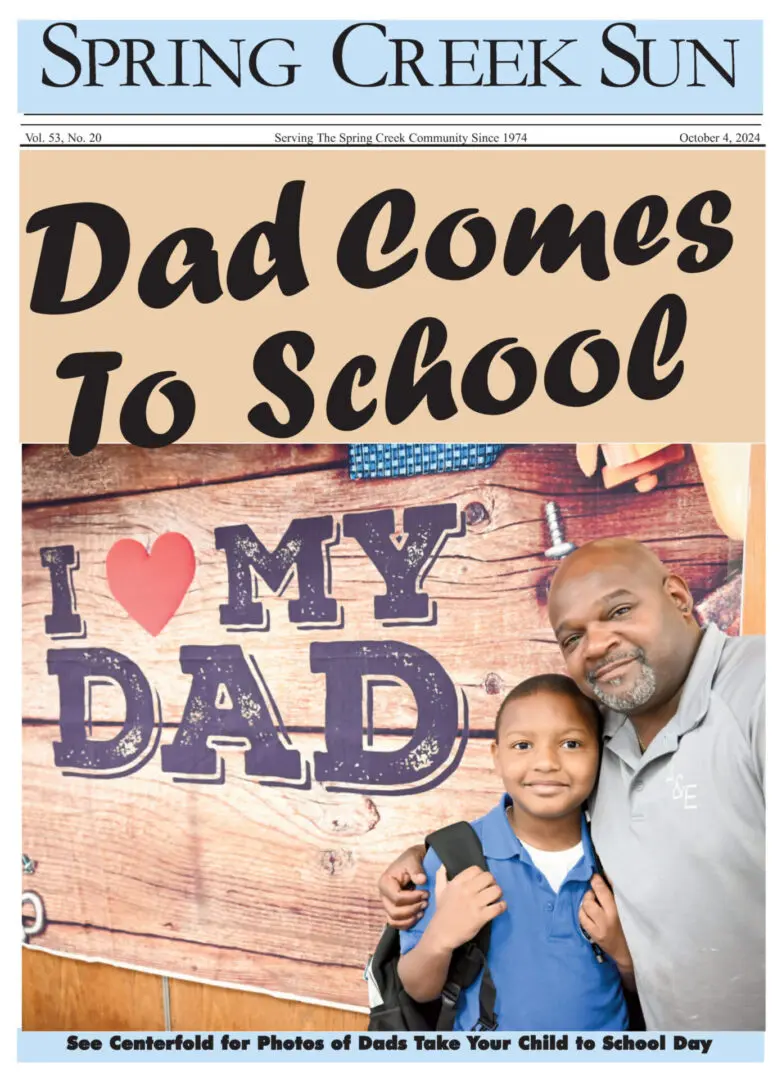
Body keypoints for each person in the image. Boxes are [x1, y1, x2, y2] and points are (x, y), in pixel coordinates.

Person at [380, 538, 765, 1031]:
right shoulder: (607, 718)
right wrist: (425, 856)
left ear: (677, 597)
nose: (598, 645)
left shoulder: (758, 691)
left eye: (620, 610)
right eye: (572, 638)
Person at [397, 673, 632, 1031]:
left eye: (571, 744)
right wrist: (440, 938)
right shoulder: (456, 858)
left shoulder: (621, 852)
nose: (546, 763)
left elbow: (656, 992)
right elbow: (419, 989)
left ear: (600, 750)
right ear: (497, 756)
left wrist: (625, 956)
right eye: (523, 745)